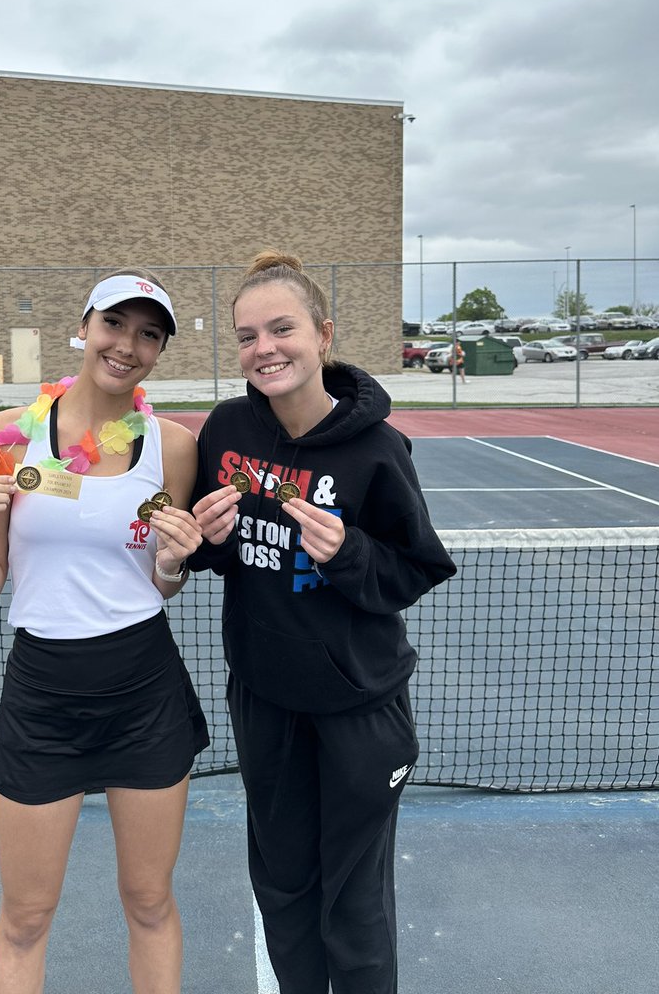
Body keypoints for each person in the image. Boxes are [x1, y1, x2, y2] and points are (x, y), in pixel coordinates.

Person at [190, 251, 456, 994]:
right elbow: (220, 557)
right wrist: (206, 540)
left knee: (355, 905)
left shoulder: (377, 451)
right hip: (267, 702)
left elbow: (418, 569)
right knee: (283, 891)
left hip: (359, 710)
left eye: (282, 329)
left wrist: (350, 552)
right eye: (247, 336)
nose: (264, 349)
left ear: (323, 334)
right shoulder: (227, 429)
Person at [0, 270, 208, 994]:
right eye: (115, 324)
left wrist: (174, 563)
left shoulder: (174, 447)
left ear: (159, 350)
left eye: (148, 333)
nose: (127, 345)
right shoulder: (9, 434)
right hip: (43, 695)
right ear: (86, 326)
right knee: (26, 916)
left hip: (145, 690)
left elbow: (163, 581)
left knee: (150, 901)